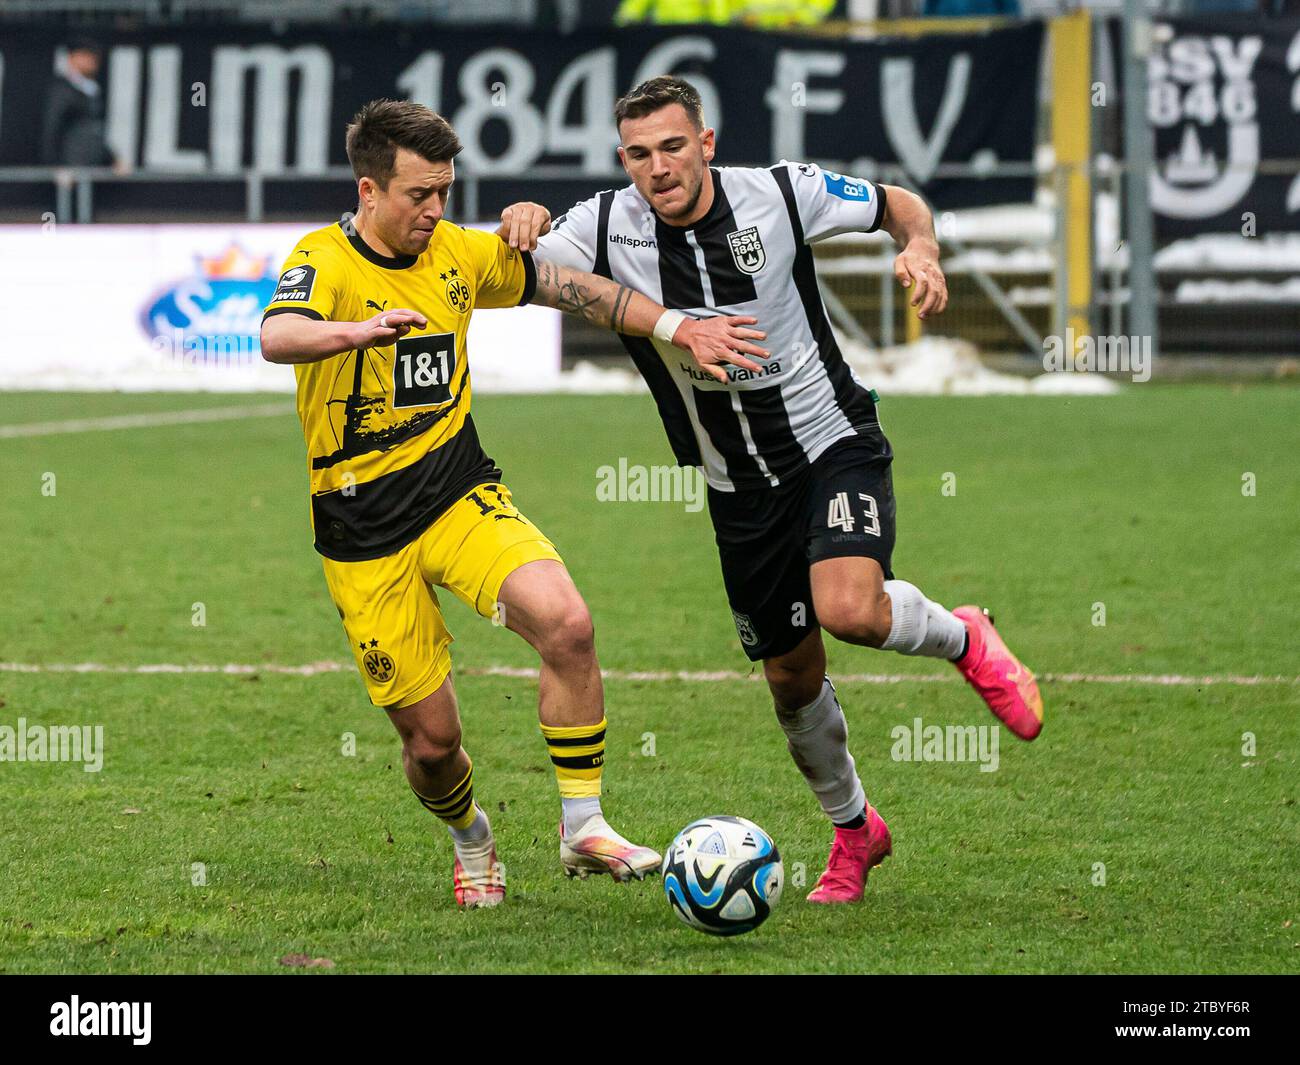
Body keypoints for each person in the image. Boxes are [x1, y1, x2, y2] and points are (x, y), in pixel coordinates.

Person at [515, 76, 1043, 906]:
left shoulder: (782, 194)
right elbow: (522, 275)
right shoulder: (606, 224)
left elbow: (898, 202)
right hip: (736, 491)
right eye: (640, 154)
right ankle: (856, 831)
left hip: (833, 444)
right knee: (793, 682)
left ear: (708, 142)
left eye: (674, 146)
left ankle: (964, 635)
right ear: (625, 160)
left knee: (850, 607)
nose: (660, 167)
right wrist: (524, 223)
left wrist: (922, 246)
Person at [260, 98, 766, 909]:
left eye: (446, 193)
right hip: (361, 530)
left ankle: (583, 824)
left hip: (459, 493)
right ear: (368, 190)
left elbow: (577, 289)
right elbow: (277, 334)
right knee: (433, 745)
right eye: (418, 196)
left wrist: (678, 327)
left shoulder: (461, 254)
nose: (435, 211)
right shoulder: (322, 259)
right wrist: (358, 333)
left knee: (567, 622)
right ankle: (472, 838)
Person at [41, 38, 118, 167]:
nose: (92, 60)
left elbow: (93, 130)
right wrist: (56, 166)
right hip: (71, 166)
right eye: (86, 55)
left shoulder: (92, 90)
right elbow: (52, 129)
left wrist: (113, 159)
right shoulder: (61, 90)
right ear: (72, 57)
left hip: (92, 165)